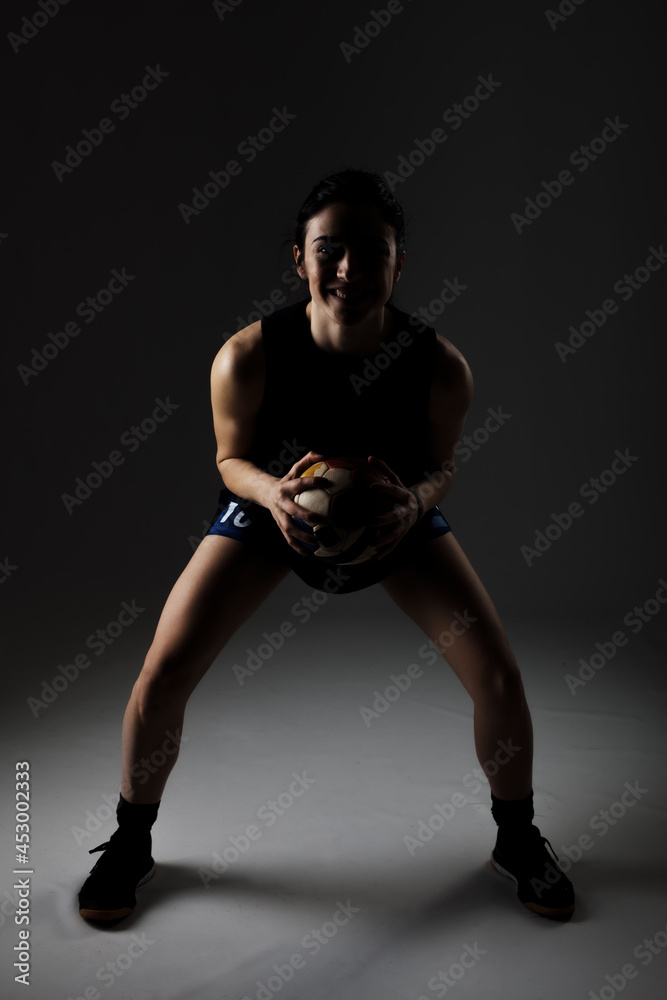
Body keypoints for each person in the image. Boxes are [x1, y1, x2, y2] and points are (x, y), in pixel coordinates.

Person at [77, 168, 575, 922]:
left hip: (388, 518)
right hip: (274, 513)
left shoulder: (439, 367)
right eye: (329, 249)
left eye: (370, 250)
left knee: (499, 679)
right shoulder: (246, 356)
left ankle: (518, 838)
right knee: (164, 670)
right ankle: (130, 840)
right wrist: (275, 493)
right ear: (299, 259)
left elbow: (440, 466)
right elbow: (228, 460)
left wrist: (412, 503)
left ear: (398, 262)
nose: (349, 269)